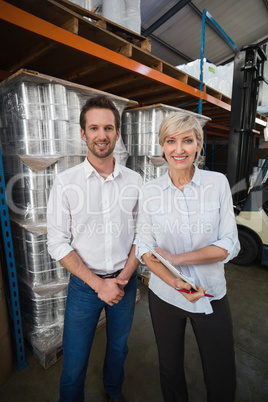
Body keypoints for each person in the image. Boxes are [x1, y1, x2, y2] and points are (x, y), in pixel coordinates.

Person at [136, 112, 240, 402]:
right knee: (169, 370)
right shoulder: (149, 191)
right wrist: (178, 283)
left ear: (198, 145)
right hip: (166, 297)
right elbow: (143, 246)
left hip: (211, 294)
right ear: (162, 146)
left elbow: (230, 244)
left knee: (221, 372)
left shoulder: (217, 184)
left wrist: (179, 259)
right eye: (171, 141)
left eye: (187, 141)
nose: (178, 149)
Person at [47, 95, 142, 402]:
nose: (102, 135)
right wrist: (98, 284)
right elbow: (57, 241)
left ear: (117, 133)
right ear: (83, 133)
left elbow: (144, 233)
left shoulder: (135, 181)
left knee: (118, 348)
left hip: (124, 284)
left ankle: (114, 393)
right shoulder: (65, 182)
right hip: (84, 288)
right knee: (74, 360)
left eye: (109, 128)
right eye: (95, 128)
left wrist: (122, 279)